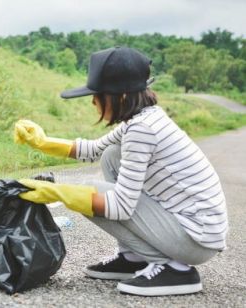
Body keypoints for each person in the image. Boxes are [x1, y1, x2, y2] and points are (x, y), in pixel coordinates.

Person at [14, 46, 227, 296]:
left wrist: (61, 194)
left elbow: (121, 206)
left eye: (98, 95)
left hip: (195, 239)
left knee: (88, 193)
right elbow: (93, 149)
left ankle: (177, 270)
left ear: (121, 97)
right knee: (111, 155)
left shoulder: (142, 129)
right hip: (192, 229)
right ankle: (134, 258)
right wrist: (41, 141)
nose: (93, 101)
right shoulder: (143, 119)